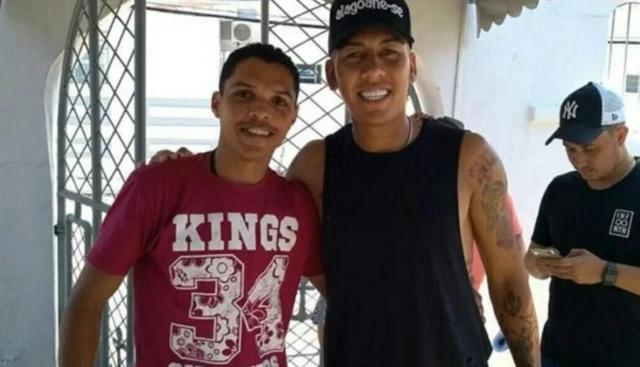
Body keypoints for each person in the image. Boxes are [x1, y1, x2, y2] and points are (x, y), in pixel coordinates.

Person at [150, 1, 541, 365]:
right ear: (332, 74)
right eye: (355, 55)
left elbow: (510, 284)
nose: (374, 69)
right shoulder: (314, 166)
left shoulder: (469, 158)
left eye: (391, 52)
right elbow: (251, 221)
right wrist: (190, 171)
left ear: (413, 66)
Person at [59, 43, 326, 367]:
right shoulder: (156, 187)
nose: (260, 111)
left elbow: (342, 294)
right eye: (244, 94)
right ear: (217, 103)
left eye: (278, 101)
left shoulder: (296, 204)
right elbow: (86, 302)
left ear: (293, 116)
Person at [524, 82, 640, 367]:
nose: (579, 160)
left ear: (621, 135)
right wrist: (540, 265)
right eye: (570, 149)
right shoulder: (561, 189)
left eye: (590, 148)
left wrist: (604, 272)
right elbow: (532, 255)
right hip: (557, 353)